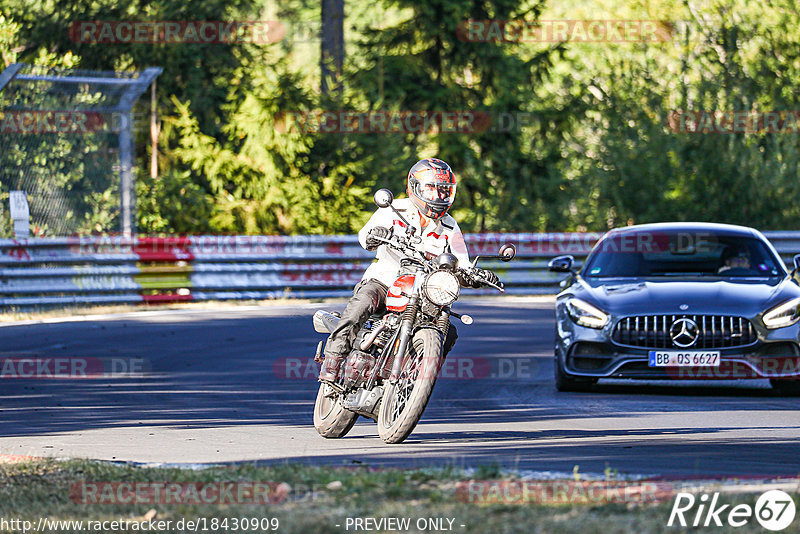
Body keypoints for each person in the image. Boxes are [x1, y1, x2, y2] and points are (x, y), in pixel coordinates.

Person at [318, 158, 499, 382]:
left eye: (444, 191)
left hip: (425, 293)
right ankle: (332, 361)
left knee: (449, 333)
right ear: (415, 187)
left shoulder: (451, 226)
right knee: (362, 304)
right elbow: (365, 236)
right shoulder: (395, 209)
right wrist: (378, 233)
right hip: (385, 280)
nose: (438, 196)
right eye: (431, 188)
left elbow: (462, 262)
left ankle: (412, 382)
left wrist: (477, 275)